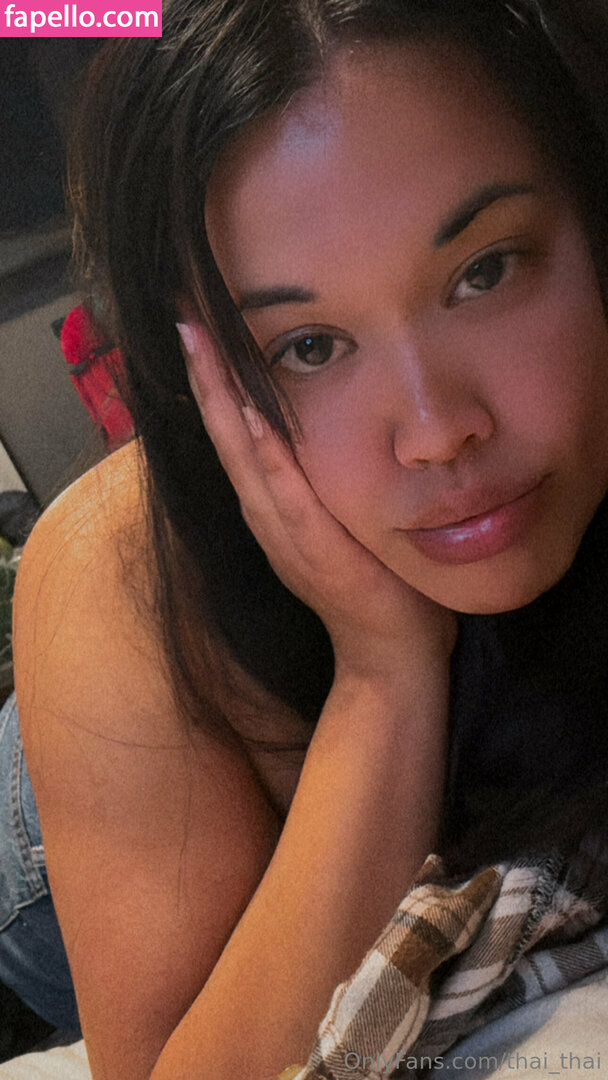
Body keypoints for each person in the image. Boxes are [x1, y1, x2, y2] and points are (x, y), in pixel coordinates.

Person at [3, 1, 608, 1077]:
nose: (435, 431)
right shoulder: (117, 566)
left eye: (485, 271)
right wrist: (382, 670)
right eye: (310, 346)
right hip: (46, 853)